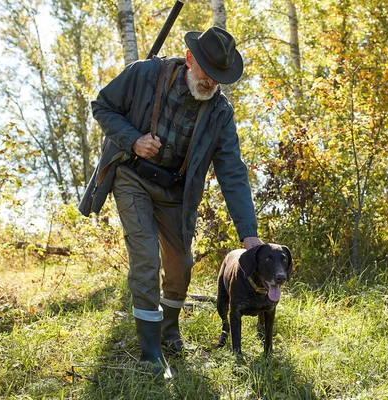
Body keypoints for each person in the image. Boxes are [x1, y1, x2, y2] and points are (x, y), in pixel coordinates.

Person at [78, 26, 262, 375]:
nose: (210, 84)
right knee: (146, 257)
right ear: (190, 58)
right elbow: (102, 106)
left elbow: (233, 173)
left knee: (181, 264)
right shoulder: (145, 73)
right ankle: (150, 352)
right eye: (207, 74)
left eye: (219, 79)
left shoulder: (221, 113)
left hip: (175, 191)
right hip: (131, 176)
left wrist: (248, 233)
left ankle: (168, 329)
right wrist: (133, 140)